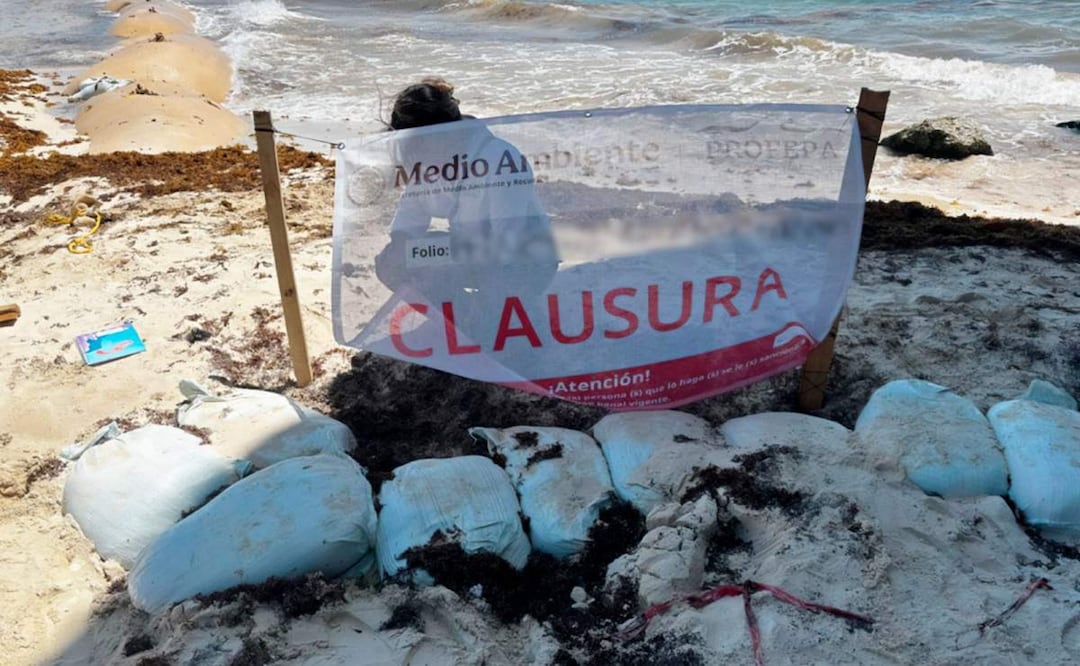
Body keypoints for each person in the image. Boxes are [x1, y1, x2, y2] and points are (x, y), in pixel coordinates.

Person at [374, 78, 558, 302]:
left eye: (417, 142)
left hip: (524, 259)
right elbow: (412, 211)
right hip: (468, 250)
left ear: (443, 134)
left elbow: (508, 240)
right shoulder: (429, 157)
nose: (412, 150)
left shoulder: (500, 159)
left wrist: (443, 262)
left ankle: (478, 314)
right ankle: (460, 317)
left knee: (485, 303)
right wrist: (403, 246)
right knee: (390, 261)